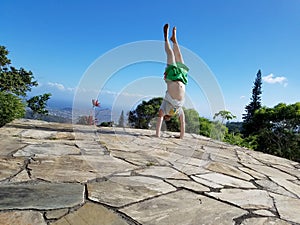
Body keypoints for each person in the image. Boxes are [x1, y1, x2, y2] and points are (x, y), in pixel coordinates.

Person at [156, 23, 189, 139]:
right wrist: (181, 136)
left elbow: (160, 117)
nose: (168, 116)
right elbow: (182, 122)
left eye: (167, 117)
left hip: (172, 78)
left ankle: (165, 38)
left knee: (170, 54)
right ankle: (174, 40)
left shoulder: (164, 108)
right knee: (179, 56)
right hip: (182, 79)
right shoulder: (178, 110)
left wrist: (157, 135)